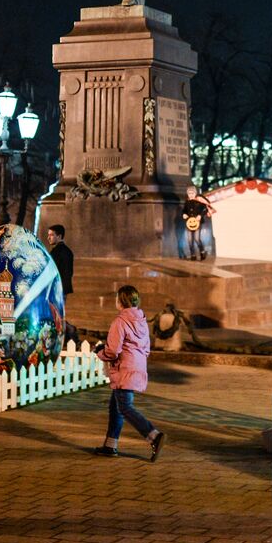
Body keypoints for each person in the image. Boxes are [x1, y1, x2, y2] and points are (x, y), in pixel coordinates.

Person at [93, 285, 164, 461]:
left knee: (125, 407)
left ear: (121, 301)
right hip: (137, 366)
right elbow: (146, 348)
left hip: (124, 368)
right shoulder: (141, 320)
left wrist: (100, 352)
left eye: (117, 298)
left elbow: (113, 351)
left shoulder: (120, 321)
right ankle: (110, 445)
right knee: (115, 406)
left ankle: (153, 435)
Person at [181, 186, 213, 261]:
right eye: (189, 193)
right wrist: (183, 214)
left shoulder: (199, 201)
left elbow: (205, 209)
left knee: (196, 238)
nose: (191, 195)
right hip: (189, 222)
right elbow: (184, 211)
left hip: (197, 222)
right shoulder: (187, 202)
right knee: (189, 239)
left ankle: (202, 252)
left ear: (195, 193)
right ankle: (193, 254)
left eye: (192, 193)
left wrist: (200, 215)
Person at [46, 225, 73, 299]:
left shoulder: (59, 252)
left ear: (59, 236)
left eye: (51, 235)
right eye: (48, 235)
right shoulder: (66, 251)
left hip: (56, 290)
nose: (48, 238)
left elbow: (65, 273)